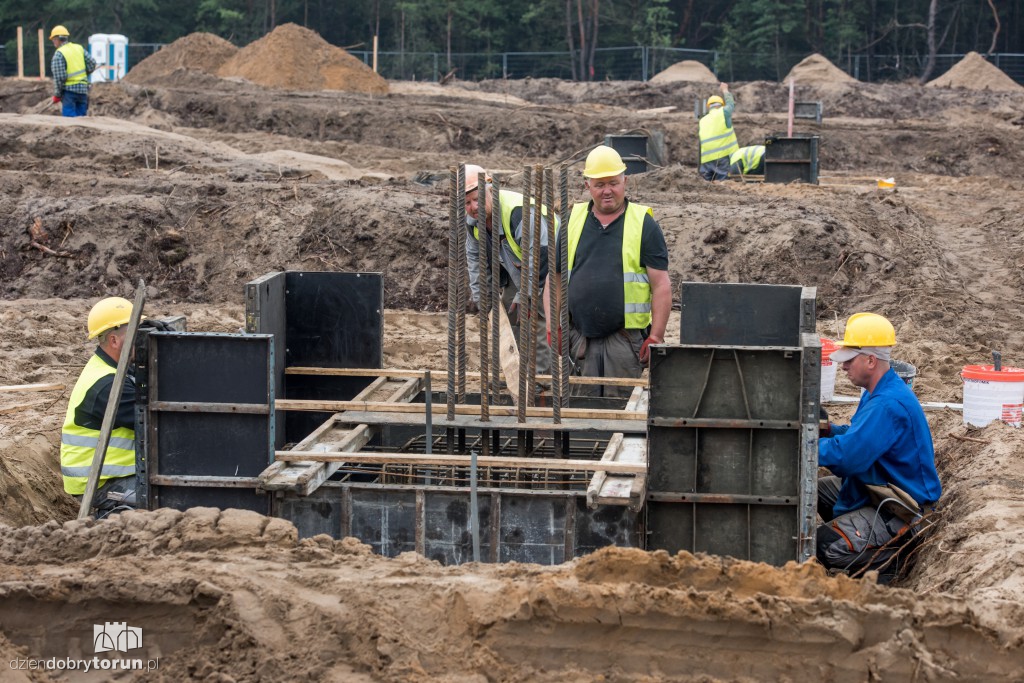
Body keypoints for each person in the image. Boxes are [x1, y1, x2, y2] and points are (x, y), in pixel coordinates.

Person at [817, 312, 942, 581]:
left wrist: (807, 447)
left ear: (870, 360)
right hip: (881, 486)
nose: (843, 367)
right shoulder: (880, 391)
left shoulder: (887, 404)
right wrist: (829, 431)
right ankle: (859, 537)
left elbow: (848, 458)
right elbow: (859, 437)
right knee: (819, 491)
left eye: (849, 360)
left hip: (902, 508)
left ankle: (892, 562)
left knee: (824, 544)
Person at [547, 145, 671, 399]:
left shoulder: (643, 224)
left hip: (624, 341)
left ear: (625, 181)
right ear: (587, 185)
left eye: (613, 183)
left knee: (621, 408)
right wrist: (553, 327)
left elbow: (661, 285)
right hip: (580, 336)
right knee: (581, 407)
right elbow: (555, 278)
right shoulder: (572, 220)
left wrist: (656, 335)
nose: (607, 191)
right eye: (599, 184)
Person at [463, 164, 553, 377]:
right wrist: (483, 301)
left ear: (491, 191)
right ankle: (520, 376)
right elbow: (476, 260)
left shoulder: (518, 213)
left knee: (535, 319)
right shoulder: (472, 222)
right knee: (510, 316)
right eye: (466, 203)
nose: (473, 207)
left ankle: (541, 380)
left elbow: (540, 258)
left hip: (550, 266)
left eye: (477, 199)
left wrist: (527, 296)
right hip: (517, 267)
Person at [61, 297, 139, 515]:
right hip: (100, 482)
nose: (141, 341)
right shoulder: (107, 385)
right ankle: (111, 521)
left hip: (111, 473)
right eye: (135, 334)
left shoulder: (112, 368)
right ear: (114, 341)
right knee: (166, 499)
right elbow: (155, 420)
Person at [49, 25, 97, 118]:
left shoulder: (59, 54)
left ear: (58, 39)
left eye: (53, 39)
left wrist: (57, 94)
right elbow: (92, 63)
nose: (53, 42)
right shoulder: (79, 48)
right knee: (82, 121)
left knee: (70, 122)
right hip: (83, 90)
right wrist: (83, 74)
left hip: (69, 92)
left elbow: (60, 78)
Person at [698, 82, 739, 181]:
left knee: (704, 186)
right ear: (721, 105)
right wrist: (725, 90)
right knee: (722, 185)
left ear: (709, 106)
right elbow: (731, 104)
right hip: (721, 157)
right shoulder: (723, 113)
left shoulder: (702, 120)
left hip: (706, 158)